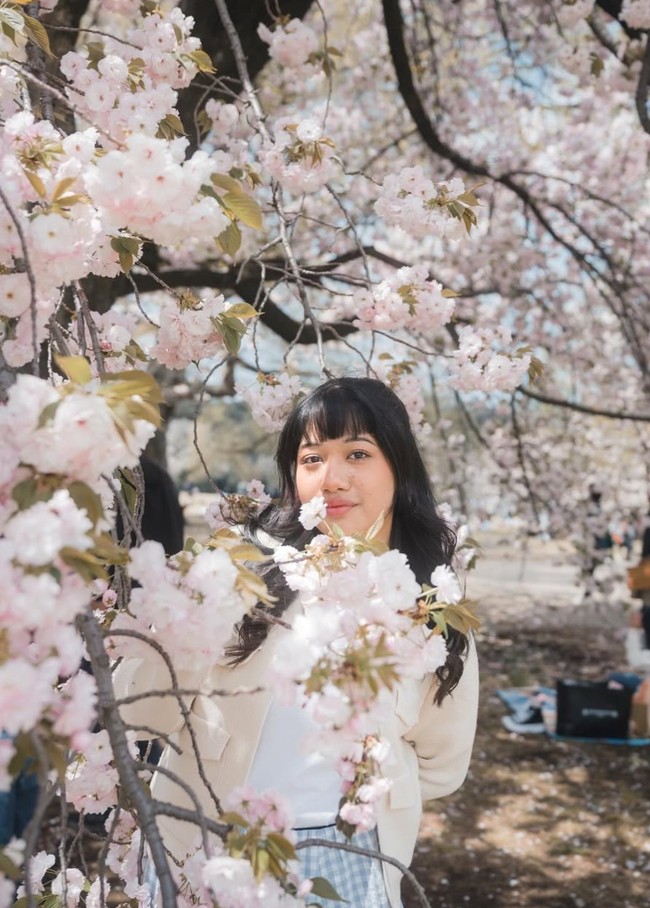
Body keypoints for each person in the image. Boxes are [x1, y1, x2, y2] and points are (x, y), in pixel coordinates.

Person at [114, 377, 479, 908]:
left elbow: (442, 762)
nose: (331, 479)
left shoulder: (431, 601)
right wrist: (183, 610)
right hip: (208, 843)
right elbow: (140, 706)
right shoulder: (244, 574)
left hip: (351, 853)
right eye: (311, 459)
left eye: (358, 453)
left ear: (399, 466)